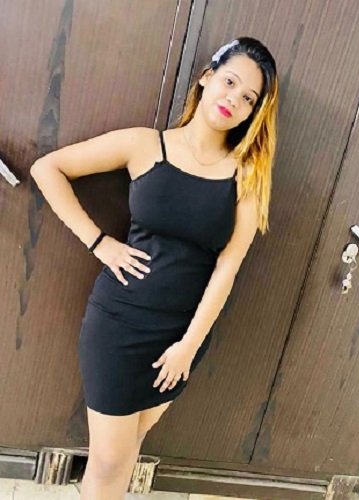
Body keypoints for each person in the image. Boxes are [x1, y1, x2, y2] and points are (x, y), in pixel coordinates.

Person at [30, 36, 278, 500]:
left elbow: (227, 268)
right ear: (206, 77)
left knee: (128, 450)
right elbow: (48, 169)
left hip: (180, 337)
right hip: (119, 322)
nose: (234, 100)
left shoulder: (247, 175)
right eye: (229, 82)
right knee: (109, 460)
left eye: (249, 98)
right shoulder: (145, 145)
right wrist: (99, 243)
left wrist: (188, 346)